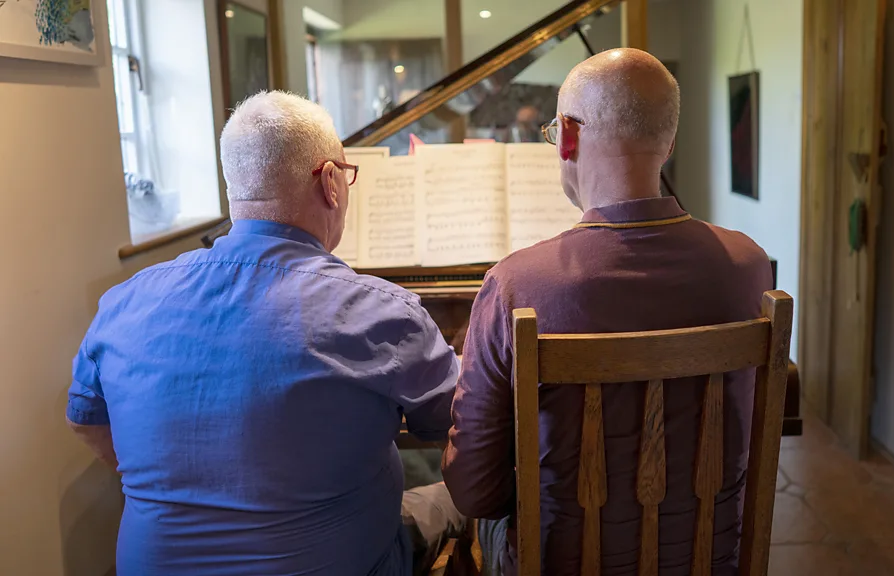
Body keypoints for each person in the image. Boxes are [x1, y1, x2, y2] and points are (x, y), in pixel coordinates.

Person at [66, 91, 464, 575]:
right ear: (332, 182)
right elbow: (466, 421)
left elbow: (86, 422)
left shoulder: (123, 301)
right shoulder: (379, 311)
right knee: (454, 499)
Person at [442, 48, 774, 575]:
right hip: (711, 560)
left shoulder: (513, 284)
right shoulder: (750, 267)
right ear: (668, 142)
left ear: (568, 137)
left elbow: (474, 489)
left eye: (556, 135)